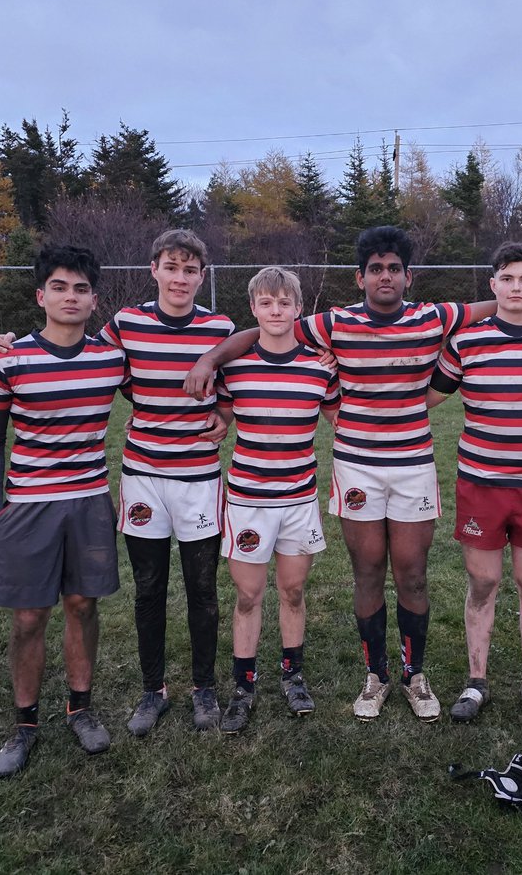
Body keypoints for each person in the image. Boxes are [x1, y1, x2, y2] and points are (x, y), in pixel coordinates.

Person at [186, 226, 522, 722]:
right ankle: (375, 676)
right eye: (375, 269)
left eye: (394, 269)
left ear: (408, 276)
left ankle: (414, 676)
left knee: (413, 575)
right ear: (360, 277)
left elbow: (510, 306)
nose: (385, 276)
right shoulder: (334, 322)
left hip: (413, 467)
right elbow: (265, 332)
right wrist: (210, 358)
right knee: (367, 573)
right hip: (356, 466)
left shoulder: (434, 317)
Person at [0, 229, 234, 733]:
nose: (179, 278)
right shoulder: (124, 326)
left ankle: (203, 689)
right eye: (171, 267)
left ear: (202, 277)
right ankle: (152, 690)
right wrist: (1, 343)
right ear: (153, 269)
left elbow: (239, 368)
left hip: (199, 477)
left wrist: (223, 410)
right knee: (148, 588)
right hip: (143, 477)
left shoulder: (220, 327)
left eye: (190, 270)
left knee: (203, 589)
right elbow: (76, 352)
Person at [0, 245, 128, 777]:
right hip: (27, 507)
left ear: (94, 300)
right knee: (28, 617)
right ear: (41, 296)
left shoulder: (111, 359)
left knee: (83, 606)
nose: (71, 297)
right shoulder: (7, 358)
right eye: (59, 287)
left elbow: (164, 386)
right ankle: (24, 724)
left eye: (81, 289)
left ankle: (80, 709)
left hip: (88, 502)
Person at [427, 242, 522, 726]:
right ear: (493, 285)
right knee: (483, 581)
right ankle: (476, 681)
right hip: (480, 484)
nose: (515, 287)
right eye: (506, 278)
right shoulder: (466, 341)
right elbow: (429, 397)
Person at [214, 267, 340, 734]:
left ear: (298, 308)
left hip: (298, 500)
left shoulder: (320, 368)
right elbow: (216, 420)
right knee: (248, 596)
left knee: (292, 591)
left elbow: (343, 419)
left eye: (284, 302)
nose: (275, 310)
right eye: (266, 303)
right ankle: (243, 686)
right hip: (248, 501)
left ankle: (293, 676)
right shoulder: (235, 367)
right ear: (253, 308)